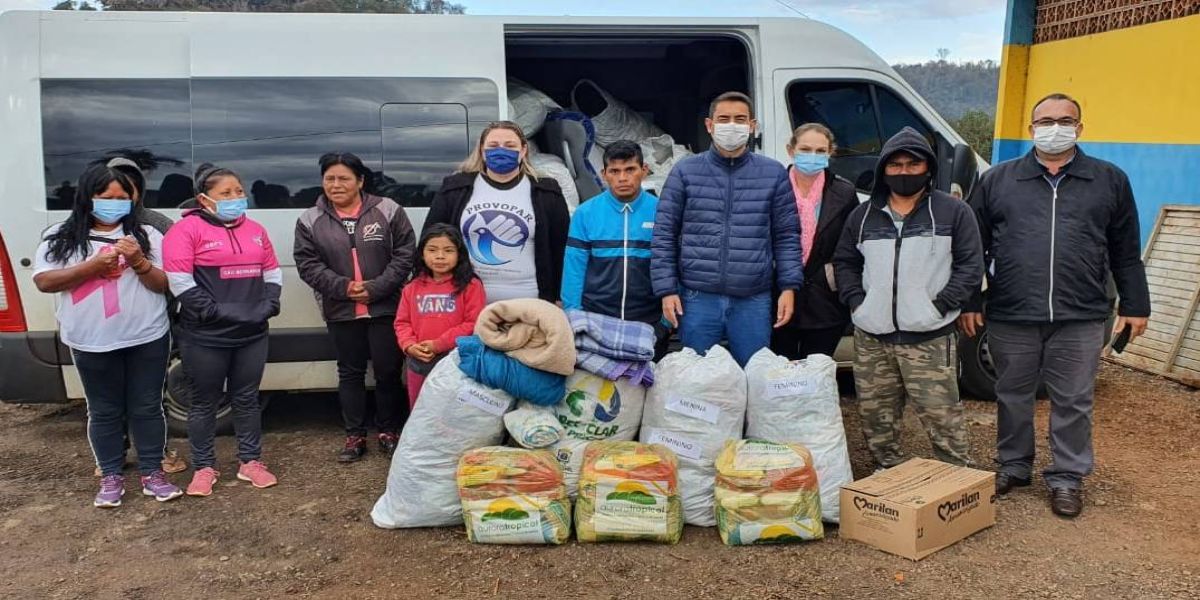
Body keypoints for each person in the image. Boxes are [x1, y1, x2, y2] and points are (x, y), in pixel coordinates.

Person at [960, 93, 1150, 518]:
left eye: (1065, 120)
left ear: (1080, 129)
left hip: (1081, 312)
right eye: (1045, 121)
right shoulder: (999, 180)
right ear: (1031, 129)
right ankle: (1014, 464)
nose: (1055, 128)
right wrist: (970, 299)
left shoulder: (1108, 180)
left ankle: (1067, 477)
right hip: (1012, 309)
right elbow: (973, 246)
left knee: (1074, 399)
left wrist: (1136, 304)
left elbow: (1125, 249)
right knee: (1011, 393)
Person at [832, 126, 983, 470]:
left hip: (929, 336)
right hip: (873, 337)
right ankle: (890, 473)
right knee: (877, 418)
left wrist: (942, 305)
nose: (903, 172)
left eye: (912, 165)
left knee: (942, 415)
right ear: (884, 169)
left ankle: (955, 479)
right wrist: (858, 301)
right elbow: (845, 262)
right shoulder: (862, 216)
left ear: (927, 168)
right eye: (895, 165)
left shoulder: (953, 212)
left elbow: (970, 265)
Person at [32, 164, 182, 507]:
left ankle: (152, 473)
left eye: (122, 197)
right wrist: (93, 266)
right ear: (88, 198)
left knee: (147, 407)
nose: (115, 204)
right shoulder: (60, 236)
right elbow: (44, 281)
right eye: (105, 197)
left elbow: (164, 285)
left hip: (146, 337)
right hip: (91, 339)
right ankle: (111, 475)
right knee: (103, 410)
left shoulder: (147, 234)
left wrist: (139, 261)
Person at [651, 91, 803, 367]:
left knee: (753, 376)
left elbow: (787, 235)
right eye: (724, 119)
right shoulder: (685, 172)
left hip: (753, 299)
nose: (732, 125)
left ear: (752, 125)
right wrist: (667, 290)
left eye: (740, 119)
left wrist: (789, 287)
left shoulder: (773, 173)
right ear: (710, 125)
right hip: (697, 297)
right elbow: (663, 234)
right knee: (699, 381)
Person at [163, 163, 282, 497]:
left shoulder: (256, 229)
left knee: (246, 398)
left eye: (239, 191)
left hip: (252, 334)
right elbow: (179, 281)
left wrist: (269, 304)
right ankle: (203, 467)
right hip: (205, 335)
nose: (235, 198)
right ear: (204, 199)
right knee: (204, 403)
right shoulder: (185, 232)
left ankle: (251, 462)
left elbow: (272, 272)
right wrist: (216, 312)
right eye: (225, 193)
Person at [294, 152, 416, 462]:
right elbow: (307, 264)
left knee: (388, 372)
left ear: (360, 181)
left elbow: (405, 254)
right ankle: (354, 436)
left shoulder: (388, 210)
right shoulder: (309, 219)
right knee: (350, 373)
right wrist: (345, 289)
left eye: (344, 178)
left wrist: (376, 289)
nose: (336, 185)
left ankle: (388, 431)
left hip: (386, 307)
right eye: (329, 178)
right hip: (341, 309)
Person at [424, 120, 570, 305]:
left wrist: (558, 297)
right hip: (465, 304)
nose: (501, 150)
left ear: (524, 150)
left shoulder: (547, 192)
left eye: (510, 145)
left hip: (530, 304)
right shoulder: (455, 188)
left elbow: (561, 248)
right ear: (482, 151)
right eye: (493, 145)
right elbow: (429, 241)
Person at [562, 140, 670, 359]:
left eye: (630, 169)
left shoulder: (663, 212)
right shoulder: (585, 213)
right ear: (604, 174)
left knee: (647, 388)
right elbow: (574, 267)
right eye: (615, 171)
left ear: (644, 170)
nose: (622, 178)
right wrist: (574, 315)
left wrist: (665, 324)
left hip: (649, 320)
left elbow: (674, 266)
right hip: (597, 320)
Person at [769, 123, 859, 360]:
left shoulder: (844, 192)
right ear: (791, 150)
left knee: (816, 374)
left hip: (825, 301)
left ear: (831, 153)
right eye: (805, 149)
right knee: (780, 373)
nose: (813, 156)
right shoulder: (773, 187)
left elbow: (851, 245)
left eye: (821, 151)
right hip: (775, 296)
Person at [394, 224, 486, 405]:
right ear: (422, 253)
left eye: (448, 250)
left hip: (457, 360)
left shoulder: (471, 285)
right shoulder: (412, 288)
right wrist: (410, 345)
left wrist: (439, 344)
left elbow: (473, 322)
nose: (440, 256)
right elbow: (402, 323)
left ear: (459, 254)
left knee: (452, 410)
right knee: (421, 408)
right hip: (419, 361)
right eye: (432, 250)